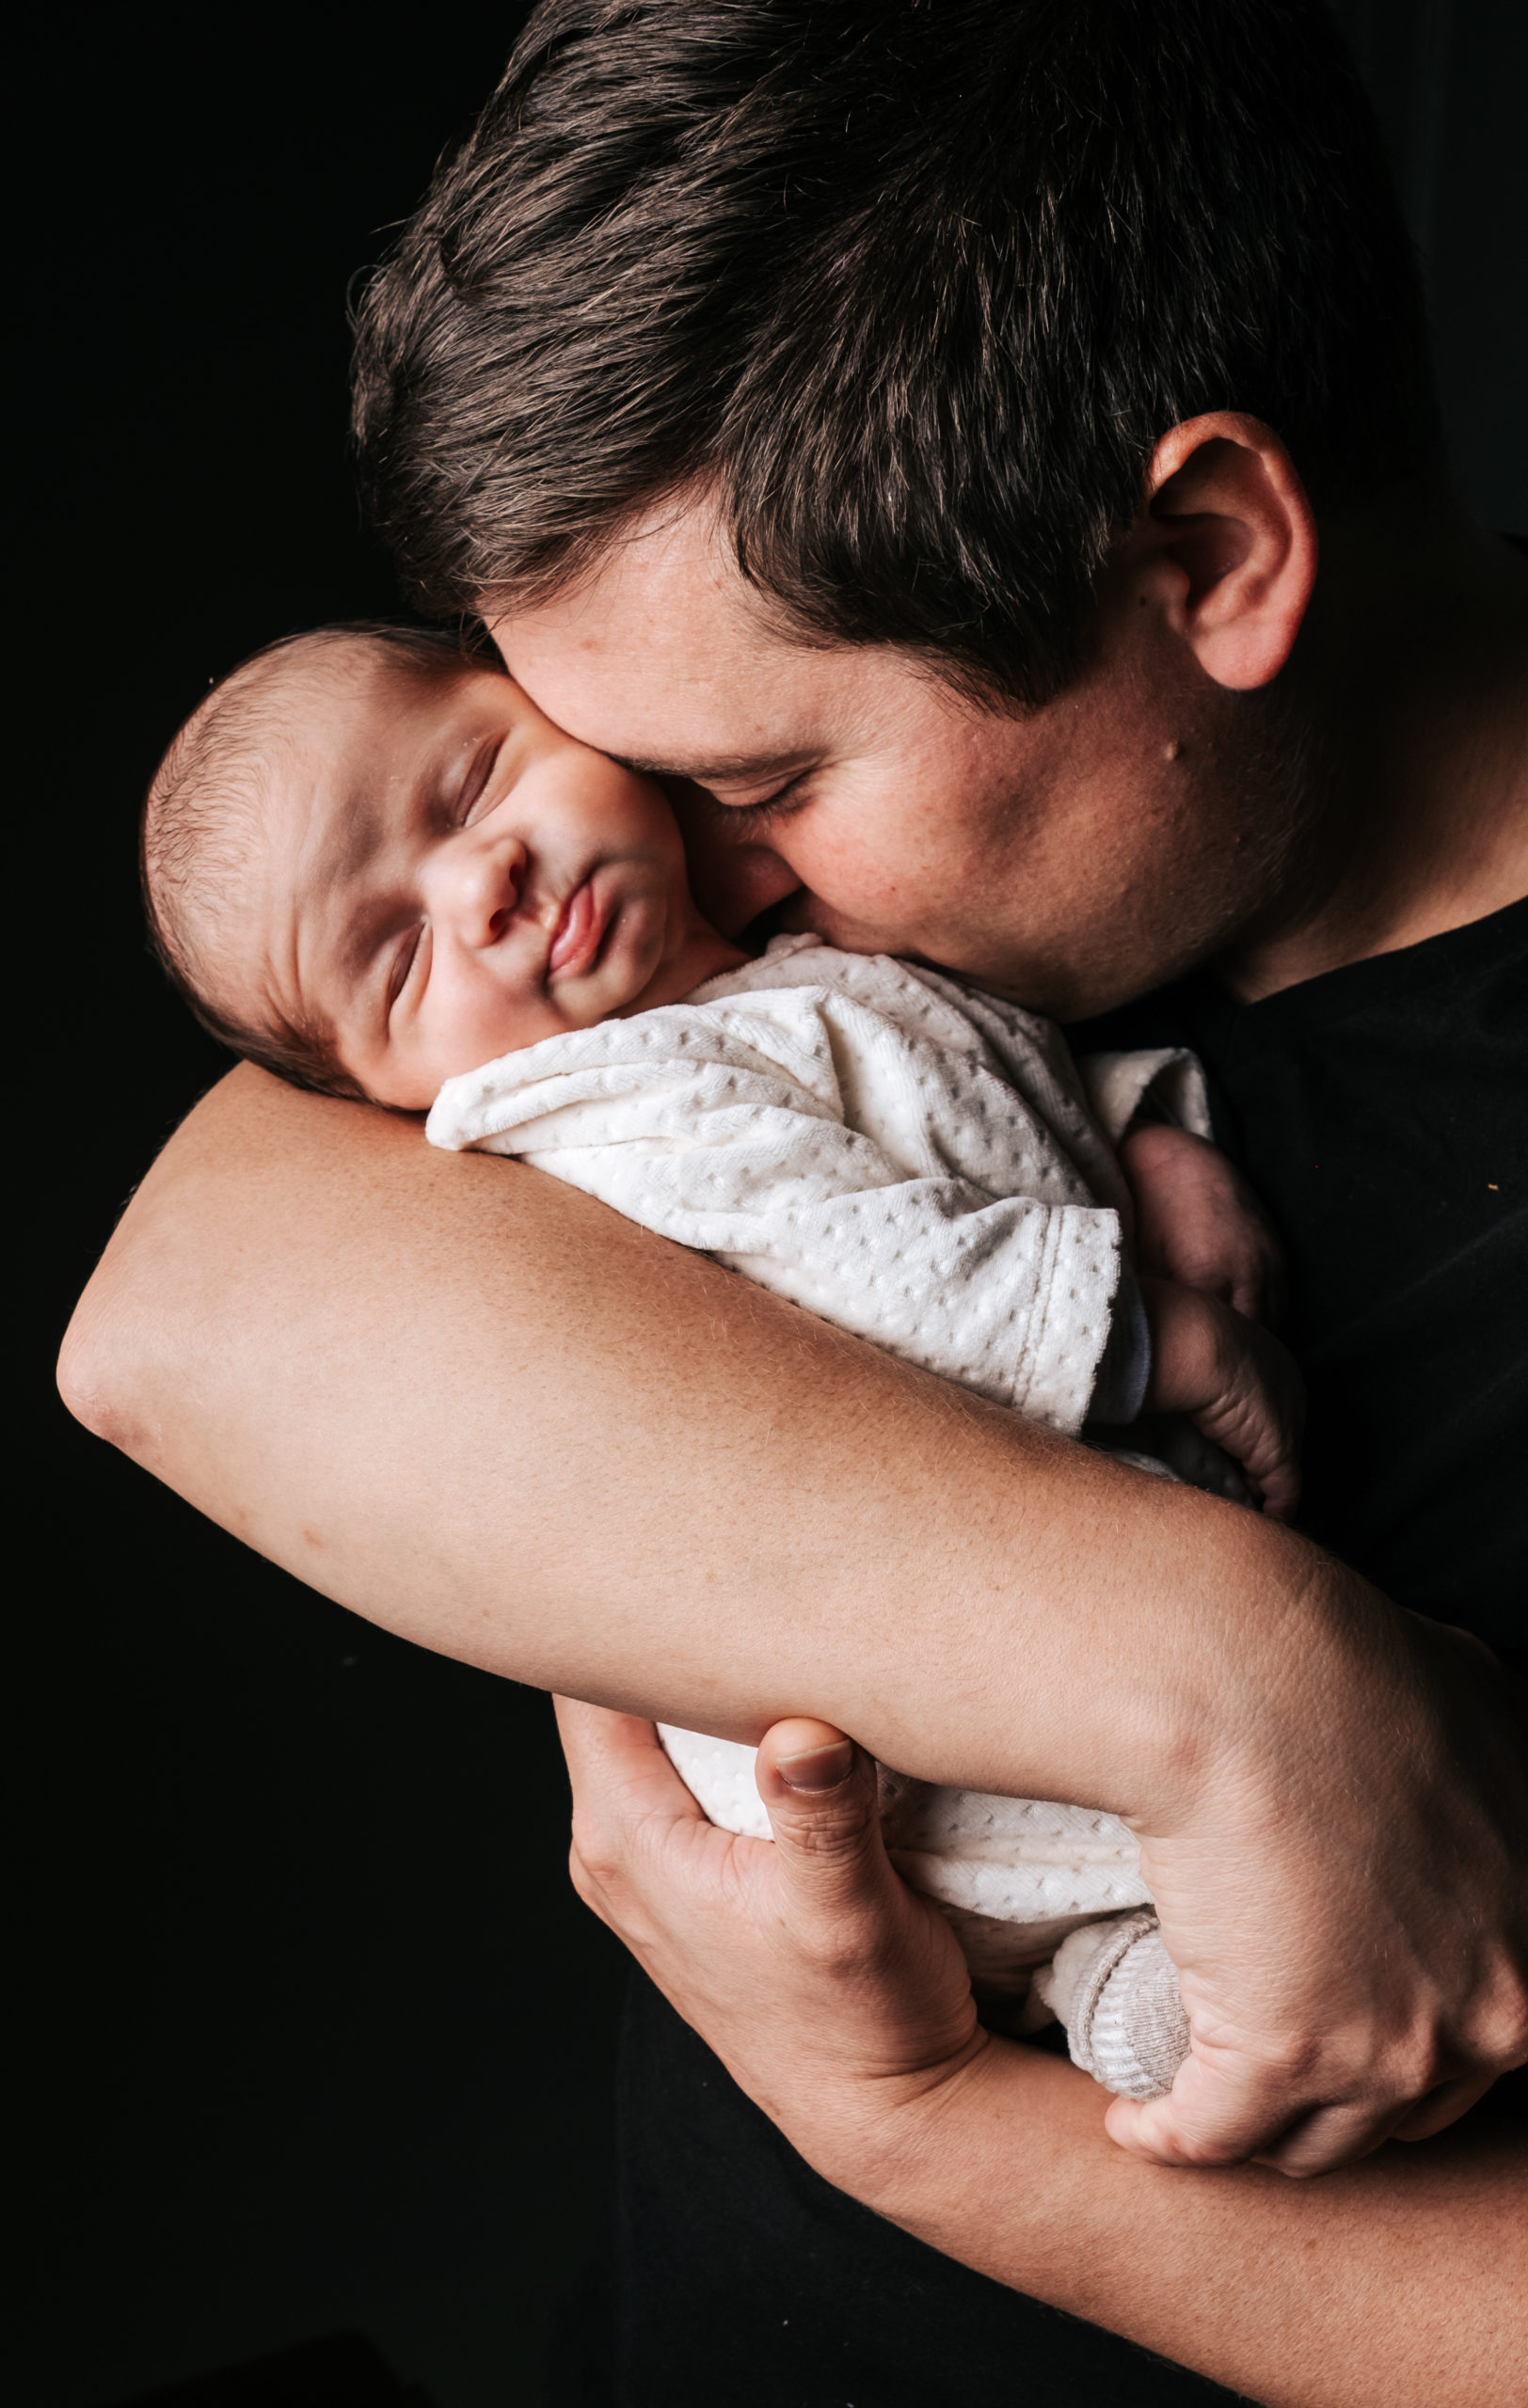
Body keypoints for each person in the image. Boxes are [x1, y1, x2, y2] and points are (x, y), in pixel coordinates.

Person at [58, 1, 1528, 2399]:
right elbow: (182, 1312)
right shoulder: (737, 950)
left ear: (1202, 557)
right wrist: (1228, 1675)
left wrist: (925, 2123)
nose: (656, 867)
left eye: (756, 772)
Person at [140, 619, 1306, 2095]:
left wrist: (1140, 1133)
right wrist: (1162, 1338)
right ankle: (1167, 1998)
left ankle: (1125, 1989)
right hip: (903, 1692)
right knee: (1128, 1836)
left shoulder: (781, 970)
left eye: (472, 782)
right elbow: (875, 1272)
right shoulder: (606, 1113)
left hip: (1075, 1564)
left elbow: (976, 1088)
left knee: (1175, 1844)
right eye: (399, 952)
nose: (481, 882)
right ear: (380, 1095)